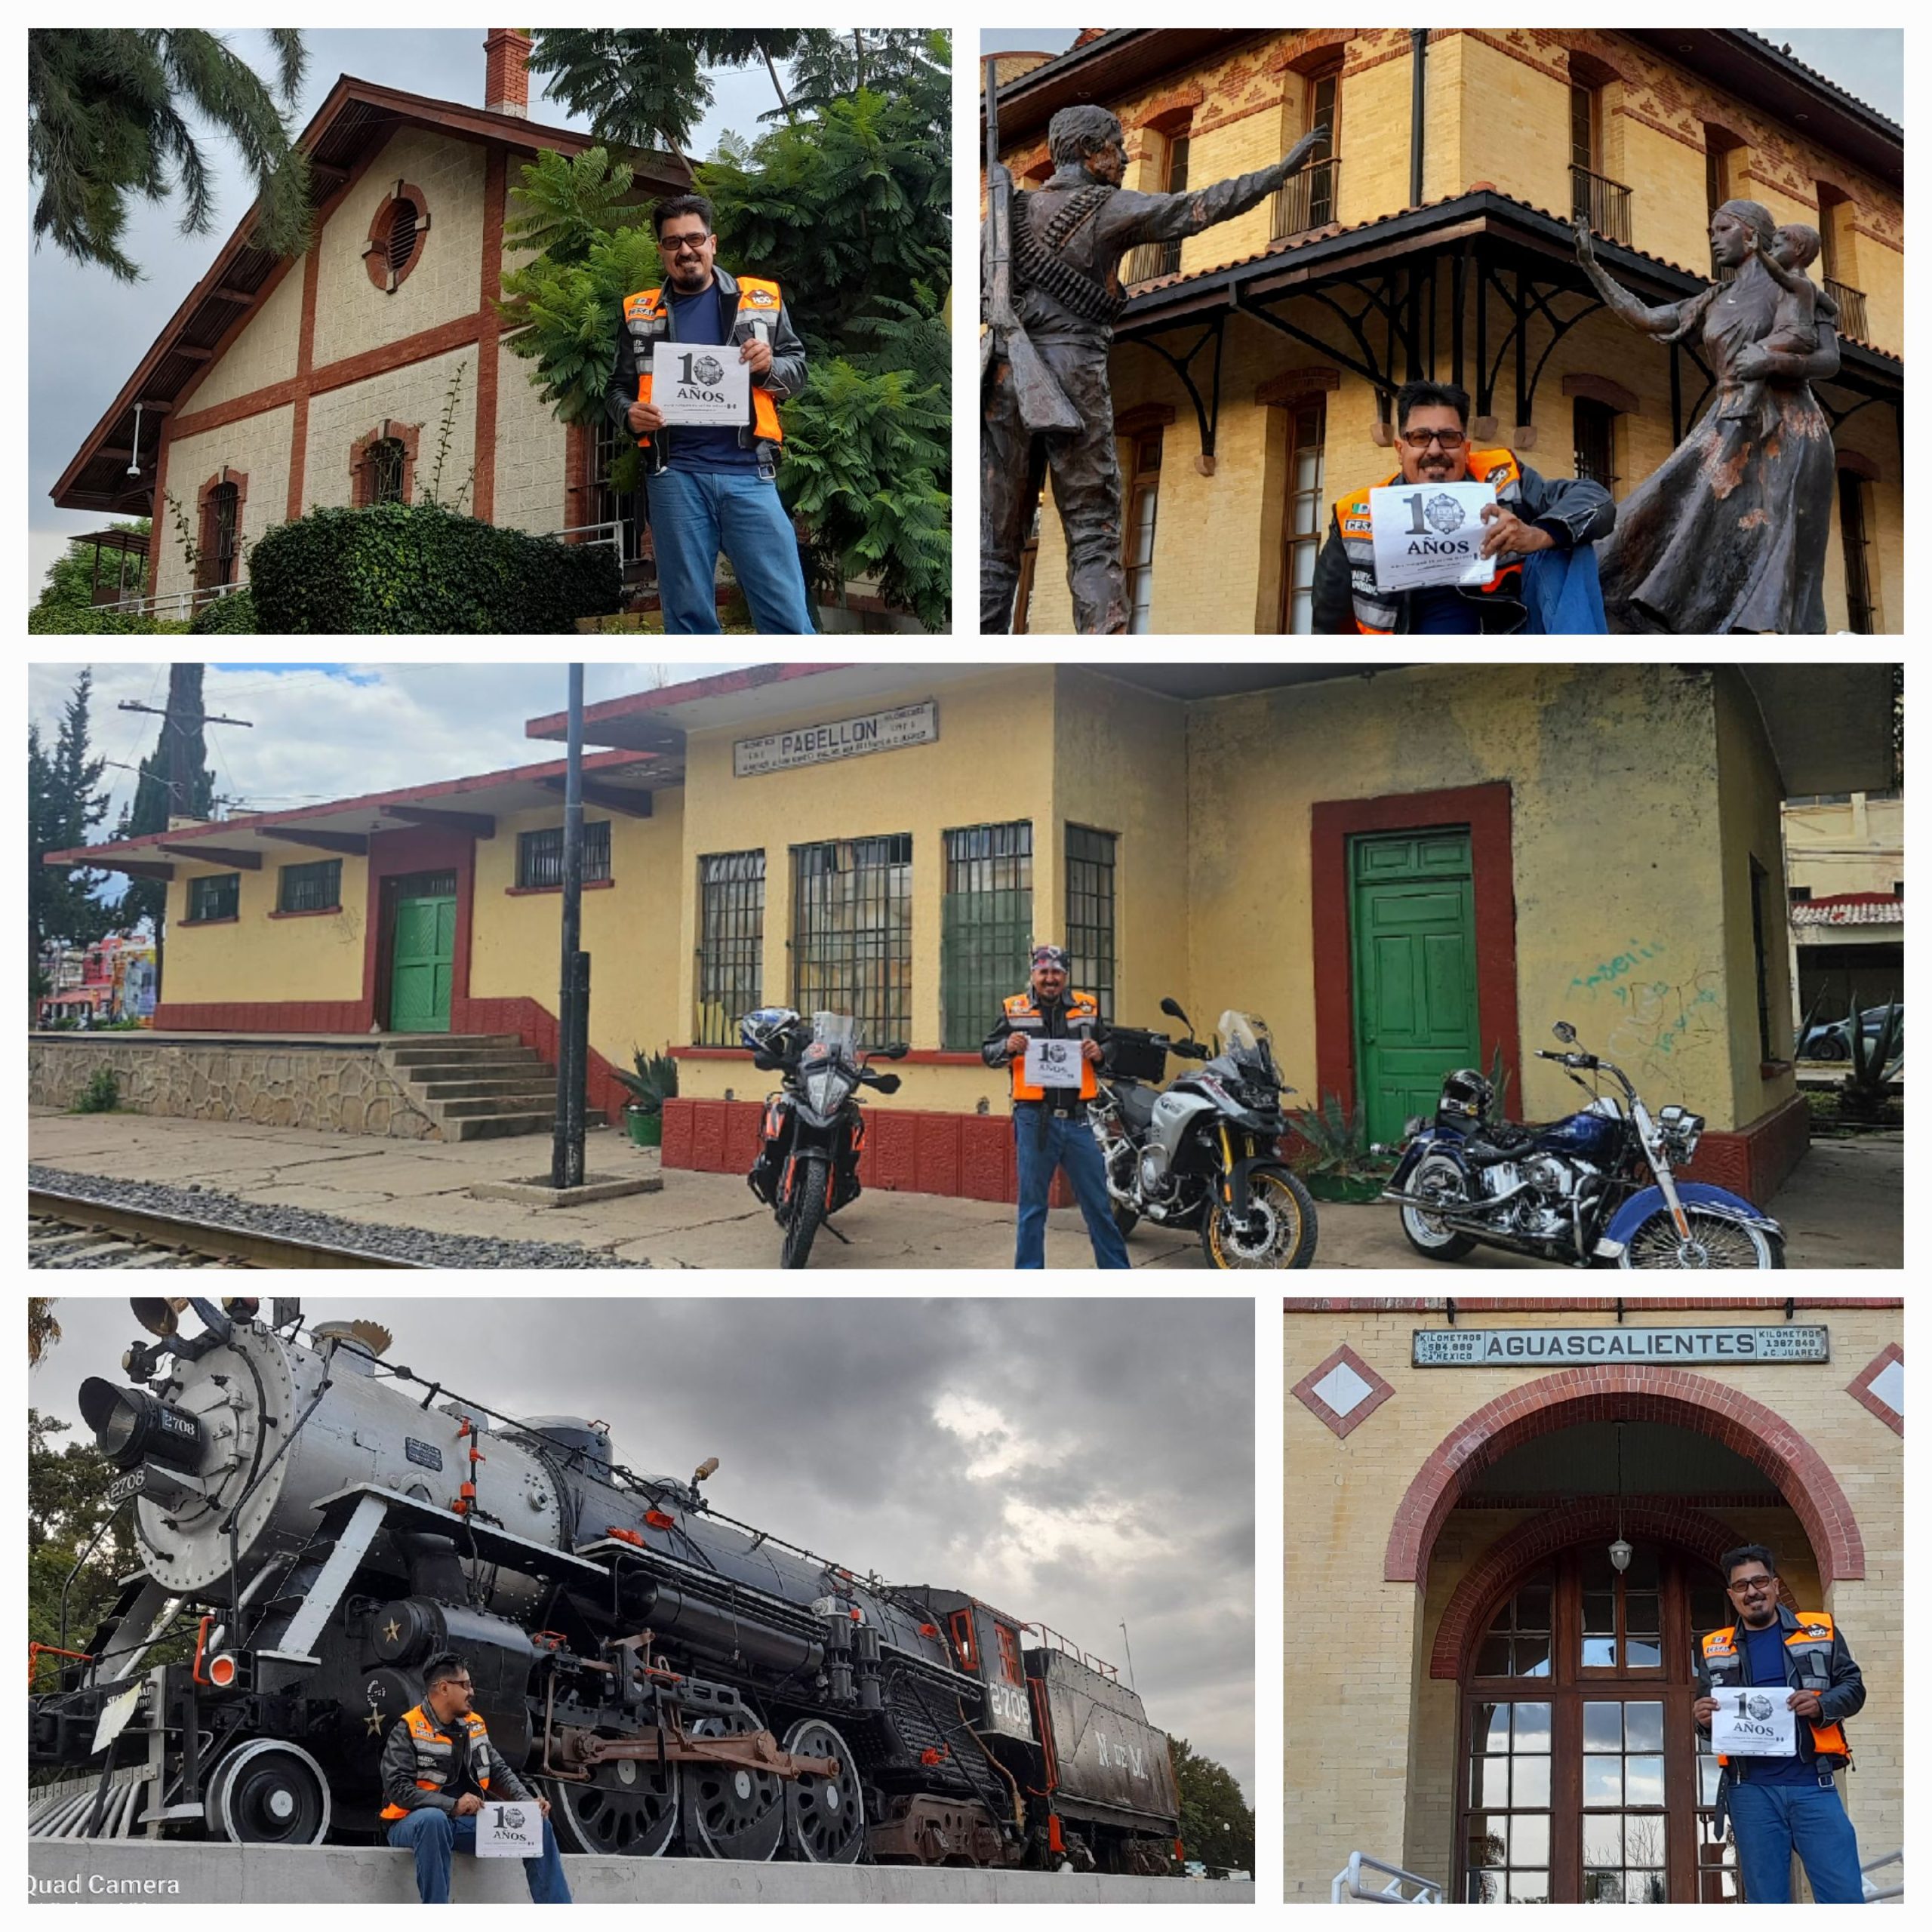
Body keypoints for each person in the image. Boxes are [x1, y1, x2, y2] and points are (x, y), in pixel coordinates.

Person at [981, 105, 1329, 633]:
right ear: (1084, 153)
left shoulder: (1005, 217)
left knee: (994, 545)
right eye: (1113, 147)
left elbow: (987, 298)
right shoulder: (1104, 207)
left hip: (1003, 379)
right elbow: (1195, 208)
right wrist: (1276, 176)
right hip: (1071, 371)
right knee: (1093, 535)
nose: (1123, 158)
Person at [1574, 200, 1840, 632]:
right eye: (1711, 230)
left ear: (1751, 235)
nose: (1713, 237)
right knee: (1667, 505)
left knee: (1774, 549)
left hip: (1788, 431)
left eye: (1722, 228)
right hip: (1730, 418)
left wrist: (1773, 364)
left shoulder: (1794, 288)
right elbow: (1647, 318)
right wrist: (1593, 268)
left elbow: (1829, 361)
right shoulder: (1714, 298)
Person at [608, 194, 815, 635]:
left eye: (694, 238)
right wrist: (629, 415)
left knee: (787, 617)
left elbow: (797, 373)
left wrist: (769, 367)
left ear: (713, 243)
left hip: (749, 474)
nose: (685, 250)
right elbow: (617, 389)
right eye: (673, 242)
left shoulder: (760, 300)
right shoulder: (638, 312)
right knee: (688, 621)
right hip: (675, 476)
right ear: (662, 250)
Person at [1312, 378, 1616, 632]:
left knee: (1567, 539)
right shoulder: (1356, 516)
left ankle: (1583, 674)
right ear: (1400, 449)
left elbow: (1596, 500)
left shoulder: (1505, 477)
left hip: (1514, 647)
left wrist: (1538, 534)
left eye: (1448, 437)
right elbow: (1329, 627)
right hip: (1408, 674)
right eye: (1420, 437)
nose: (1435, 450)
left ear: (1466, 448)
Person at [1694, 1543, 1866, 1904]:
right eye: (1742, 1586)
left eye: (1759, 1581)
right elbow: (1709, 1715)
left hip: (1814, 1786)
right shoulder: (1713, 1648)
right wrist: (1704, 1720)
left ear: (1773, 1584)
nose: (1752, 1592)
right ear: (1732, 1594)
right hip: (1751, 1793)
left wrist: (1822, 1705)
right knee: (1768, 1904)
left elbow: (1854, 1688)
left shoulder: (1819, 1631)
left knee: (1844, 1899)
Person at [981, 945, 1131, 1269]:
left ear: (1065, 976)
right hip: (1034, 1120)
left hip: (1078, 1121)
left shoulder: (1087, 1007)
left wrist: (1100, 1053)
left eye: (1056, 973)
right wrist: (1007, 1046)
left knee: (1098, 1205)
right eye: (1044, 972)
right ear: (1033, 974)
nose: (1050, 979)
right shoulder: (1013, 1009)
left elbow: (1110, 1049)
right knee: (1033, 1208)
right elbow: (988, 1052)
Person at [382, 1651, 572, 1904]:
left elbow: (499, 1770)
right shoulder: (408, 1727)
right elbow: (398, 1789)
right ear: (443, 1688)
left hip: (463, 1825)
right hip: (411, 1824)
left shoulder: (474, 1724)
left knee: (537, 1824)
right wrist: (453, 1805)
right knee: (433, 1819)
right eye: (466, 1685)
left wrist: (527, 1802)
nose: (472, 1692)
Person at [1723, 226, 1831, 427]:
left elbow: (1778, 274)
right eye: (1770, 248)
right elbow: (1832, 306)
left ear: (1798, 249)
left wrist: (1760, 253)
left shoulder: (1797, 282)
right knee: (1752, 354)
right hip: (1793, 334)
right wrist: (1826, 309)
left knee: (1753, 353)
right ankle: (1764, 409)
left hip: (1793, 334)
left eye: (1777, 246)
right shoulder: (1810, 288)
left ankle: (1749, 406)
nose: (1772, 251)